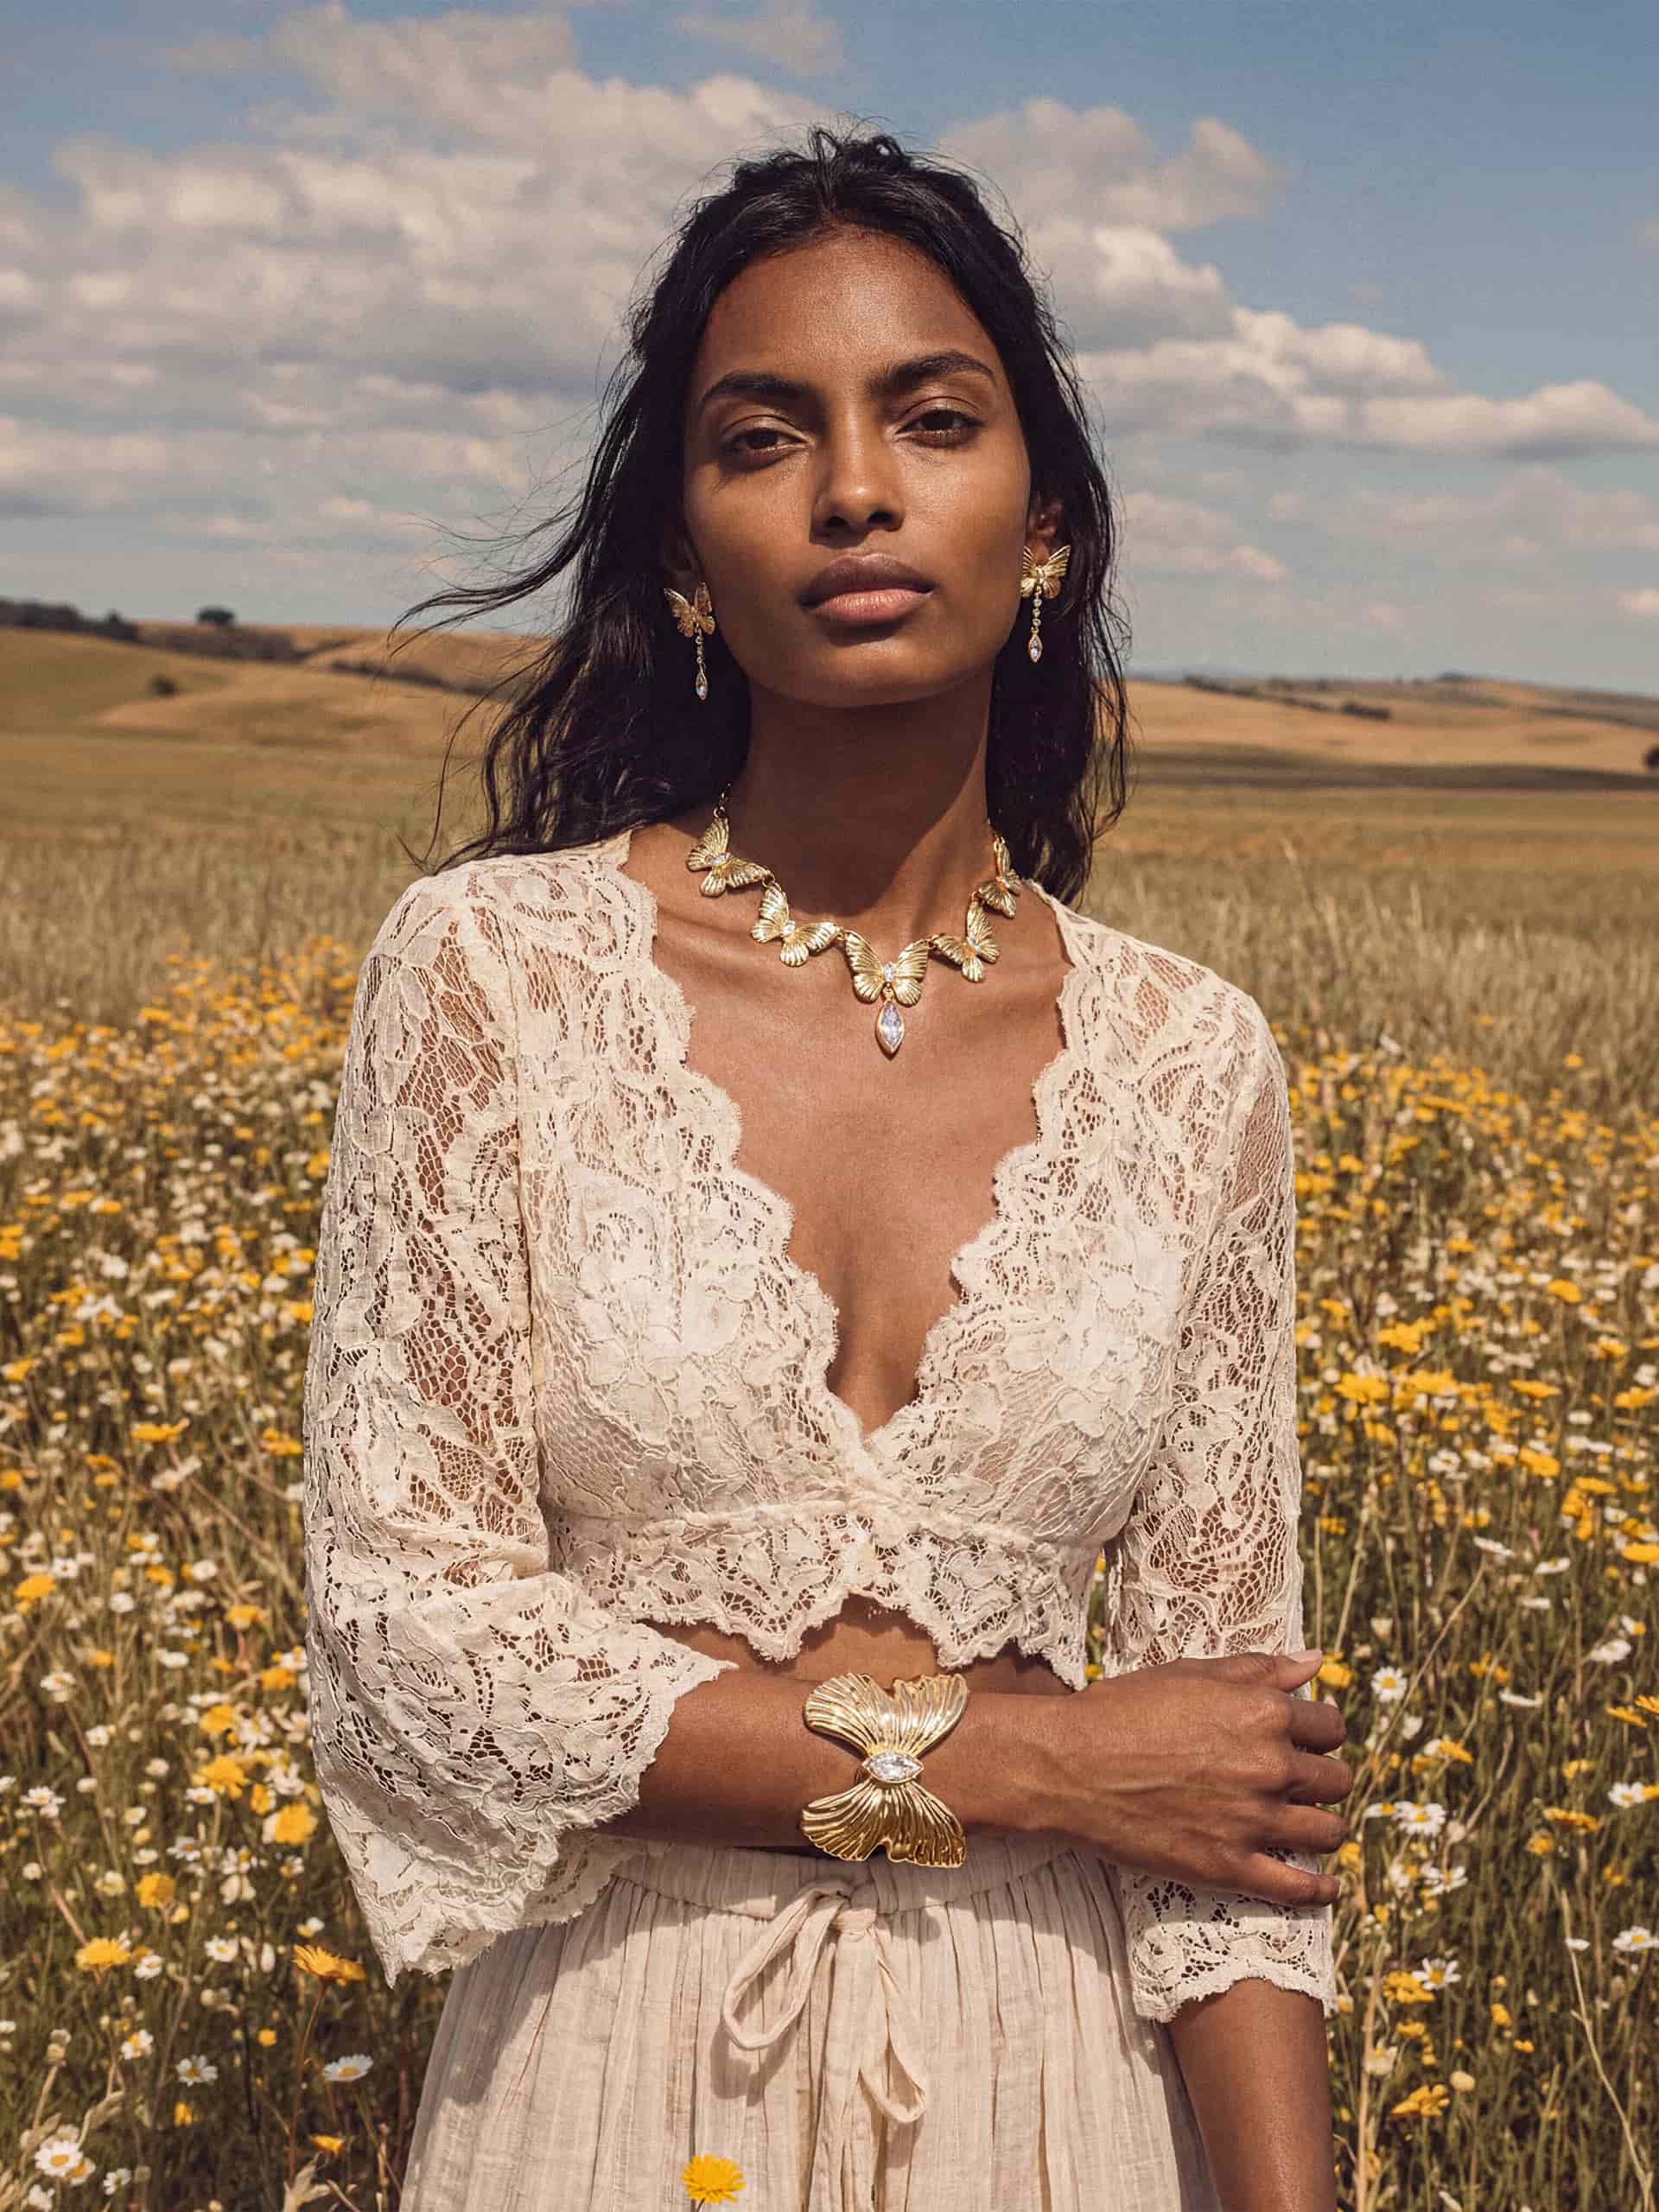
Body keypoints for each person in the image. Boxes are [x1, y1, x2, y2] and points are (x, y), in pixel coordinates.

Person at [301, 124, 1353, 2212]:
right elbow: (409, 1636)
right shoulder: (493, 976)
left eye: (931, 420)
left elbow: (1238, 1804)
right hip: (609, 2082)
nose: (856, 487)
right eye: (764, 435)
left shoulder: (1189, 1059)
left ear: (1042, 520)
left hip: (1057, 2100)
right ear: (688, 555)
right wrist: (1037, 1754)